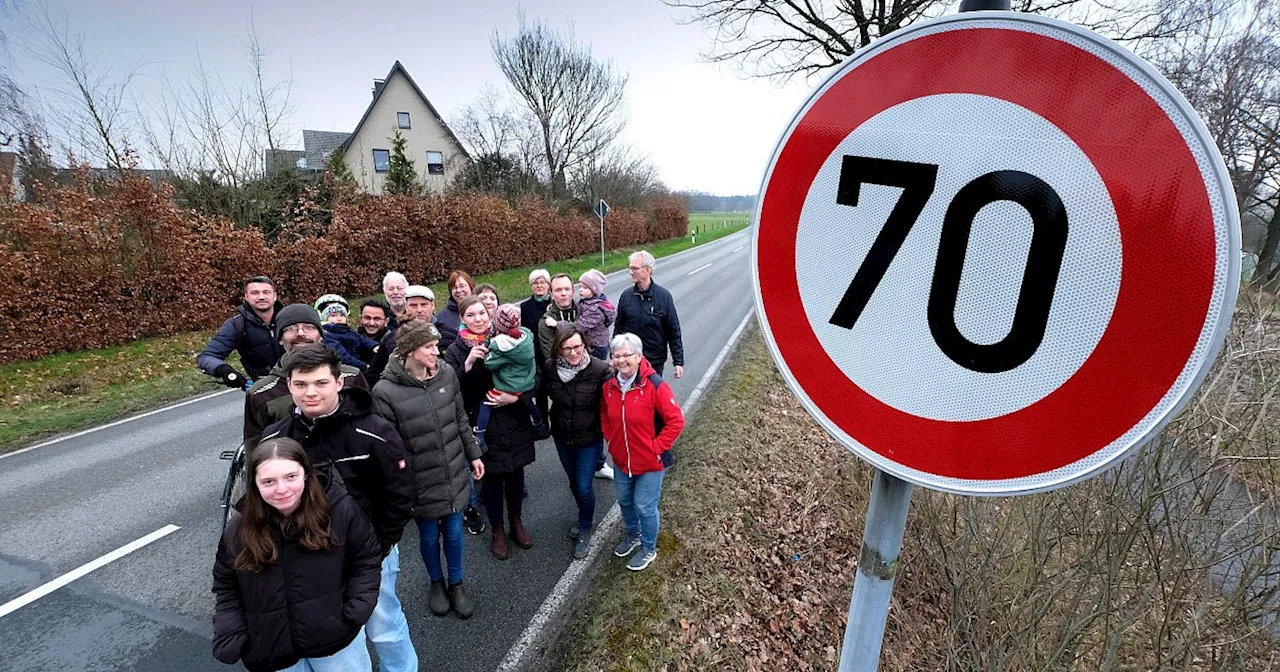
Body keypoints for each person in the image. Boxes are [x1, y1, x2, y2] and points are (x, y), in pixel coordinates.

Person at [258, 345, 418, 672]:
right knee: (340, 639)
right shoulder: (275, 437)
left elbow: (400, 494)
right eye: (301, 385)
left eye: (320, 383)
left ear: (339, 383)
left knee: (383, 626)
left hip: (370, 553)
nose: (310, 392)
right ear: (289, 385)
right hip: (310, 559)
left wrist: (380, 545)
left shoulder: (374, 430)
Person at [213, 438, 382, 672]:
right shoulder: (238, 530)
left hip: (336, 645)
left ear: (306, 474)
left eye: (290, 477)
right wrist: (232, 632)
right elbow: (226, 585)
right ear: (255, 485)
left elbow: (366, 560)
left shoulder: (340, 512)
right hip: (273, 652)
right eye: (269, 481)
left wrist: (355, 613)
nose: (281, 489)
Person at [371, 321, 484, 619]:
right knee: (429, 536)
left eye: (436, 346)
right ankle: (436, 582)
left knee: (455, 532)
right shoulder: (384, 391)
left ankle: (457, 583)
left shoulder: (446, 373)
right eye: (429, 347)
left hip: (453, 470)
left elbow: (459, 418)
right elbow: (388, 447)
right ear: (409, 351)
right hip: (419, 481)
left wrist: (473, 453)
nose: (437, 352)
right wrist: (401, 484)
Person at [445, 295, 539, 560]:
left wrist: (517, 397)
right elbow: (452, 391)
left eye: (483, 314)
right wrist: (468, 365)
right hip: (483, 426)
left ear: (491, 316)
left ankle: (517, 523)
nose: (478, 319)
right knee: (493, 480)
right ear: (462, 319)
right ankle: (498, 530)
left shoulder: (510, 339)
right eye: (471, 315)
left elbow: (535, 373)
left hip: (514, 418)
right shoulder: (456, 350)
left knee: (517, 475)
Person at [602, 333, 685, 572]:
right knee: (625, 501)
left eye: (627, 355)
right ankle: (634, 535)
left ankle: (649, 548)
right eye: (617, 356)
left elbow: (675, 421)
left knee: (645, 506)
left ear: (638, 357)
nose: (621, 360)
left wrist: (656, 448)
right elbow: (605, 416)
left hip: (650, 461)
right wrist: (611, 440)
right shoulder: (609, 386)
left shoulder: (655, 385)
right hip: (621, 459)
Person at [243, 304, 367, 451]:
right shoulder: (260, 393)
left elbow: (373, 427)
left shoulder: (352, 377)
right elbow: (255, 451)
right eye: (291, 328)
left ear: (321, 335)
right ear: (280, 339)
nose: (300, 333)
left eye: (309, 327)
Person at [542, 324, 611, 559]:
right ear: (558, 350)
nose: (573, 353)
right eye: (567, 348)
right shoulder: (550, 368)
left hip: (589, 437)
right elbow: (540, 394)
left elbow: (613, 401)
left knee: (583, 485)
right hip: (562, 435)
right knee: (573, 482)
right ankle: (584, 514)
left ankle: (585, 526)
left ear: (585, 346)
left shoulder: (600, 370)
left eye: (577, 347)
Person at [473, 303, 548, 453]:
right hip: (527, 381)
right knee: (530, 404)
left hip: (509, 385)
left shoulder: (500, 345)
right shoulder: (526, 335)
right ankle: (539, 423)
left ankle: (479, 434)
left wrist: (486, 345)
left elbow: (489, 363)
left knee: (486, 403)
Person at [198, 276, 284, 388]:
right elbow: (206, 357)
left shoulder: (291, 319)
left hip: (300, 384)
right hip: (262, 390)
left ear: (275, 296)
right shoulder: (236, 325)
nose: (261, 297)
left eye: (266, 292)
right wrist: (224, 371)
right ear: (246, 297)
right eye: (255, 293)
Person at [615, 250, 685, 379]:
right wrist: (614, 356)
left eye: (635, 268)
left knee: (651, 397)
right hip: (629, 361)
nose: (631, 272)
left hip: (654, 362)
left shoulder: (663, 297)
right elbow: (618, 329)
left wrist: (678, 362)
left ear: (648, 270)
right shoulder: (626, 296)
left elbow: (673, 330)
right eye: (630, 268)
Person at [366, 285, 434, 385]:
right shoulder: (392, 340)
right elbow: (374, 373)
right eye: (413, 305)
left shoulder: (447, 334)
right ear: (406, 307)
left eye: (424, 304)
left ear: (432, 305)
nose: (419, 310)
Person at [520, 269, 553, 422]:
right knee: (539, 393)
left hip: (552, 353)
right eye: (535, 283)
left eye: (542, 282)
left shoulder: (554, 304)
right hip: (535, 355)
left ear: (548, 285)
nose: (539, 286)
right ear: (531, 286)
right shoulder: (525, 307)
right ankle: (543, 425)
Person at [315, 294, 380, 371]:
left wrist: (374, 346)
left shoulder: (347, 330)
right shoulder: (328, 336)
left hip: (358, 360)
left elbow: (362, 339)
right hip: (346, 367)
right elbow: (343, 356)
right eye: (333, 315)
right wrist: (364, 366)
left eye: (342, 315)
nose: (339, 318)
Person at [575, 269, 616, 360]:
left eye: (585, 288)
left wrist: (558, 324)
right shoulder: (586, 302)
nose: (581, 290)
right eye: (580, 287)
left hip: (596, 348)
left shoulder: (596, 309)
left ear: (594, 290)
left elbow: (580, 326)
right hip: (590, 343)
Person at [537, 273, 578, 363]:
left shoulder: (585, 312)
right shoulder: (545, 322)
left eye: (567, 289)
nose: (563, 293)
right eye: (558, 290)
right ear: (551, 294)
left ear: (573, 292)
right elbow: (551, 356)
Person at [435, 270, 474, 353]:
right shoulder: (442, 319)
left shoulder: (484, 309)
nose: (459, 290)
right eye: (454, 287)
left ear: (471, 287)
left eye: (462, 286)